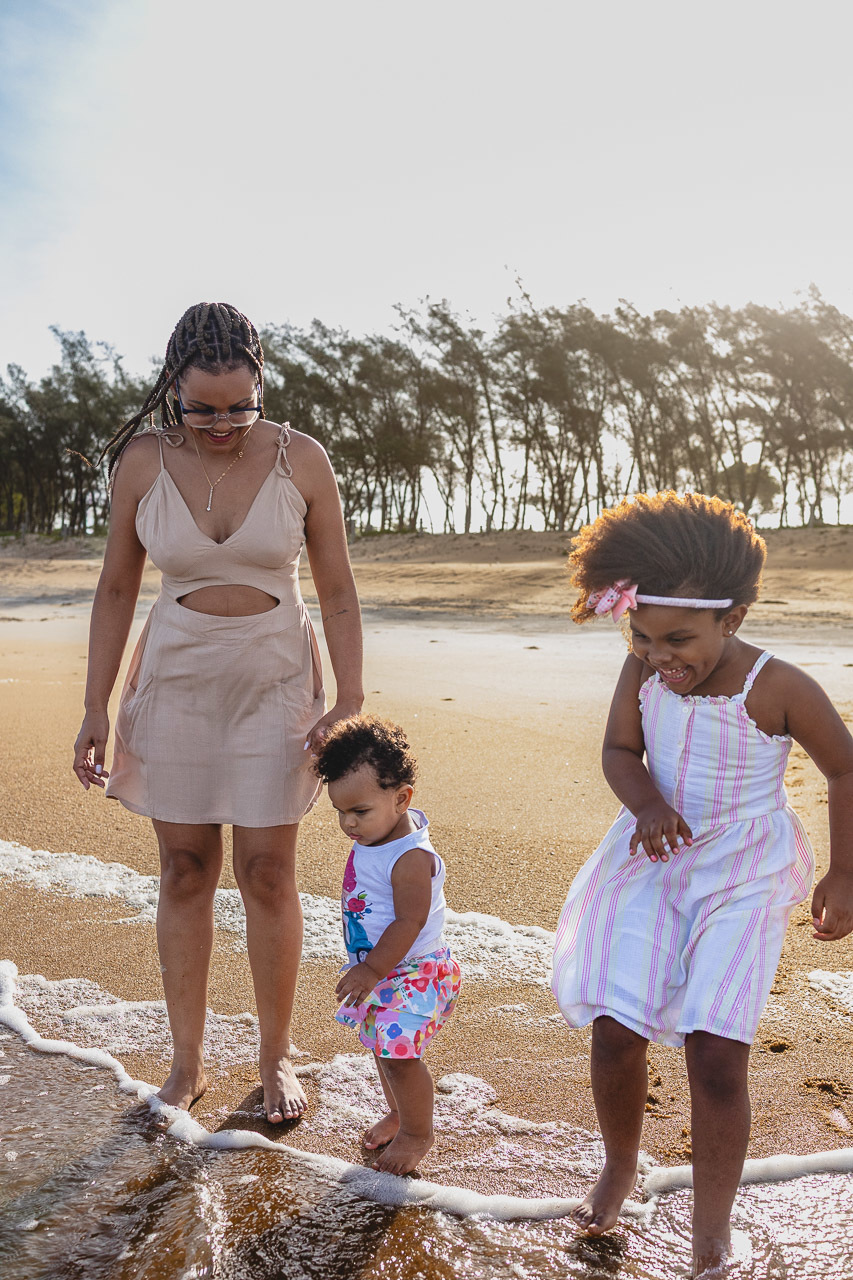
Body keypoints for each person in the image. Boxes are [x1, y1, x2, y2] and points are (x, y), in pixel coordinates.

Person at [72, 302, 363, 1123]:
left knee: (268, 873)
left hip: (276, 680)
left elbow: (336, 588)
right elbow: (117, 587)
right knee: (186, 870)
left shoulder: (301, 459)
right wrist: (95, 705)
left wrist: (350, 695)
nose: (224, 422)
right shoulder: (141, 461)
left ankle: (276, 1059)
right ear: (173, 391)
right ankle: (187, 1062)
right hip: (176, 679)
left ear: (260, 387)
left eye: (241, 405)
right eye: (203, 408)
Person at [550, 492, 853, 1278]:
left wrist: (844, 870)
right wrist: (646, 803)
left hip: (744, 872)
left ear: (734, 616)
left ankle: (711, 1231)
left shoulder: (775, 685)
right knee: (615, 1025)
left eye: (679, 639)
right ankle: (620, 1162)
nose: (660, 657)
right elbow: (620, 751)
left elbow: (844, 765)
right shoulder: (640, 672)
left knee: (715, 1053)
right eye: (642, 637)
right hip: (652, 858)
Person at [314, 714, 461, 1175]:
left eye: (359, 812)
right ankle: (401, 1114)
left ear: (401, 799)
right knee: (384, 1049)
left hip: (415, 970)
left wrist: (372, 969)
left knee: (400, 1057)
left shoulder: (410, 856)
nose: (347, 824)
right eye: (340, 811)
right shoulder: (380, 833)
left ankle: (419, 1133)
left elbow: (411, 920)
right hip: (387, 968)